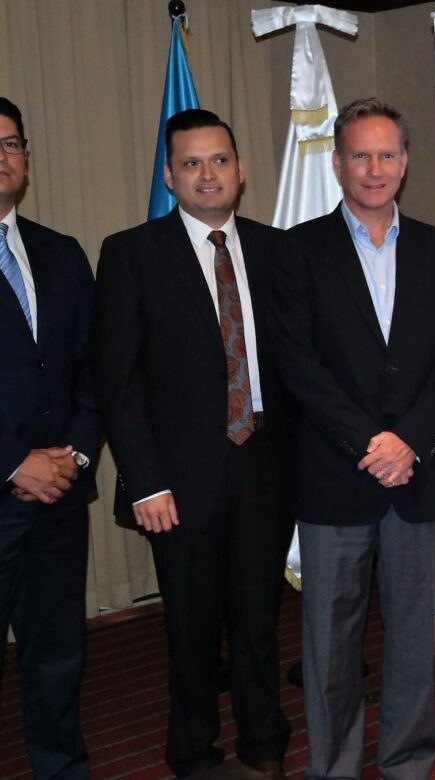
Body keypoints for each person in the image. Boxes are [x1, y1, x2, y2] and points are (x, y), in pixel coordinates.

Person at [272, 97, 435, 779]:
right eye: (360, 155)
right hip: (336, 475)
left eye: (387, 154)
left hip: (419, 475)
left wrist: (407, 441)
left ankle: (407, 762)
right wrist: (371, 444)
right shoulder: (298, 251)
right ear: (337, 164)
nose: (375, 168)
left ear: (405, 162)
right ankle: (333, 768)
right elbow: (298, 363)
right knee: (330, 641)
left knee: (415, 635)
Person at [92, 109, 293, 778]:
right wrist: (144, 481)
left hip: (265, 466)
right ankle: (194, 752)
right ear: (169, 176)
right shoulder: (131, 254)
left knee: (259, 619)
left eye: (220, 160)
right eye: (192, 163)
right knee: (191, 626)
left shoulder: (276, 250)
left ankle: (264, 744)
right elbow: (118, 382)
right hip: (177, 480)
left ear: (241, 169)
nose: (209, 174)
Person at [0, 96, 97, 780]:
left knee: (59, 655)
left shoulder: (61, 253)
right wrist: (13, 464)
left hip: (60, 496)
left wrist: (74, 455)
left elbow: (95, 370)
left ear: (26, 159)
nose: (1, 156)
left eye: (10, 143)